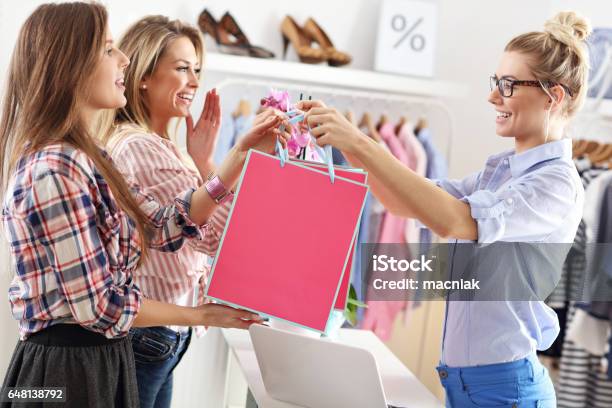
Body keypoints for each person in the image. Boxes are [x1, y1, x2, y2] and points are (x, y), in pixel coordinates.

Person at [0, 3, 288, 407]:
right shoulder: (54, 169)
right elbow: (98, 306)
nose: (123, 59)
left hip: (100, 357)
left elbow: (161, 227)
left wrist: (234, 157)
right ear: (69, 65)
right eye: (108, 49)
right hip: (66, 371)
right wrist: (199, 316)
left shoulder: (90, 157)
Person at [300, 11, 589, 407]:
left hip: (505, 389)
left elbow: (454, 222)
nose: (493, 97)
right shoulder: (499, 171)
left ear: (553, 96)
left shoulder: (555, 185)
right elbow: (403, 201)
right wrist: (347, 144)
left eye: (507, 85)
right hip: (465, 383)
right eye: (496, 83)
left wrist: (360, 142)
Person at [99, 15, 285, 408]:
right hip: (148, 335)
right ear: (143, 75)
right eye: (182, 68)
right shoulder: (140, 148)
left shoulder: (162, 147)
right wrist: (235, 161)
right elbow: (220, 237)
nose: (195, 83)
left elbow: (211, 226)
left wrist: (203, 160)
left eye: (197, 69)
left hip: (160, 334)